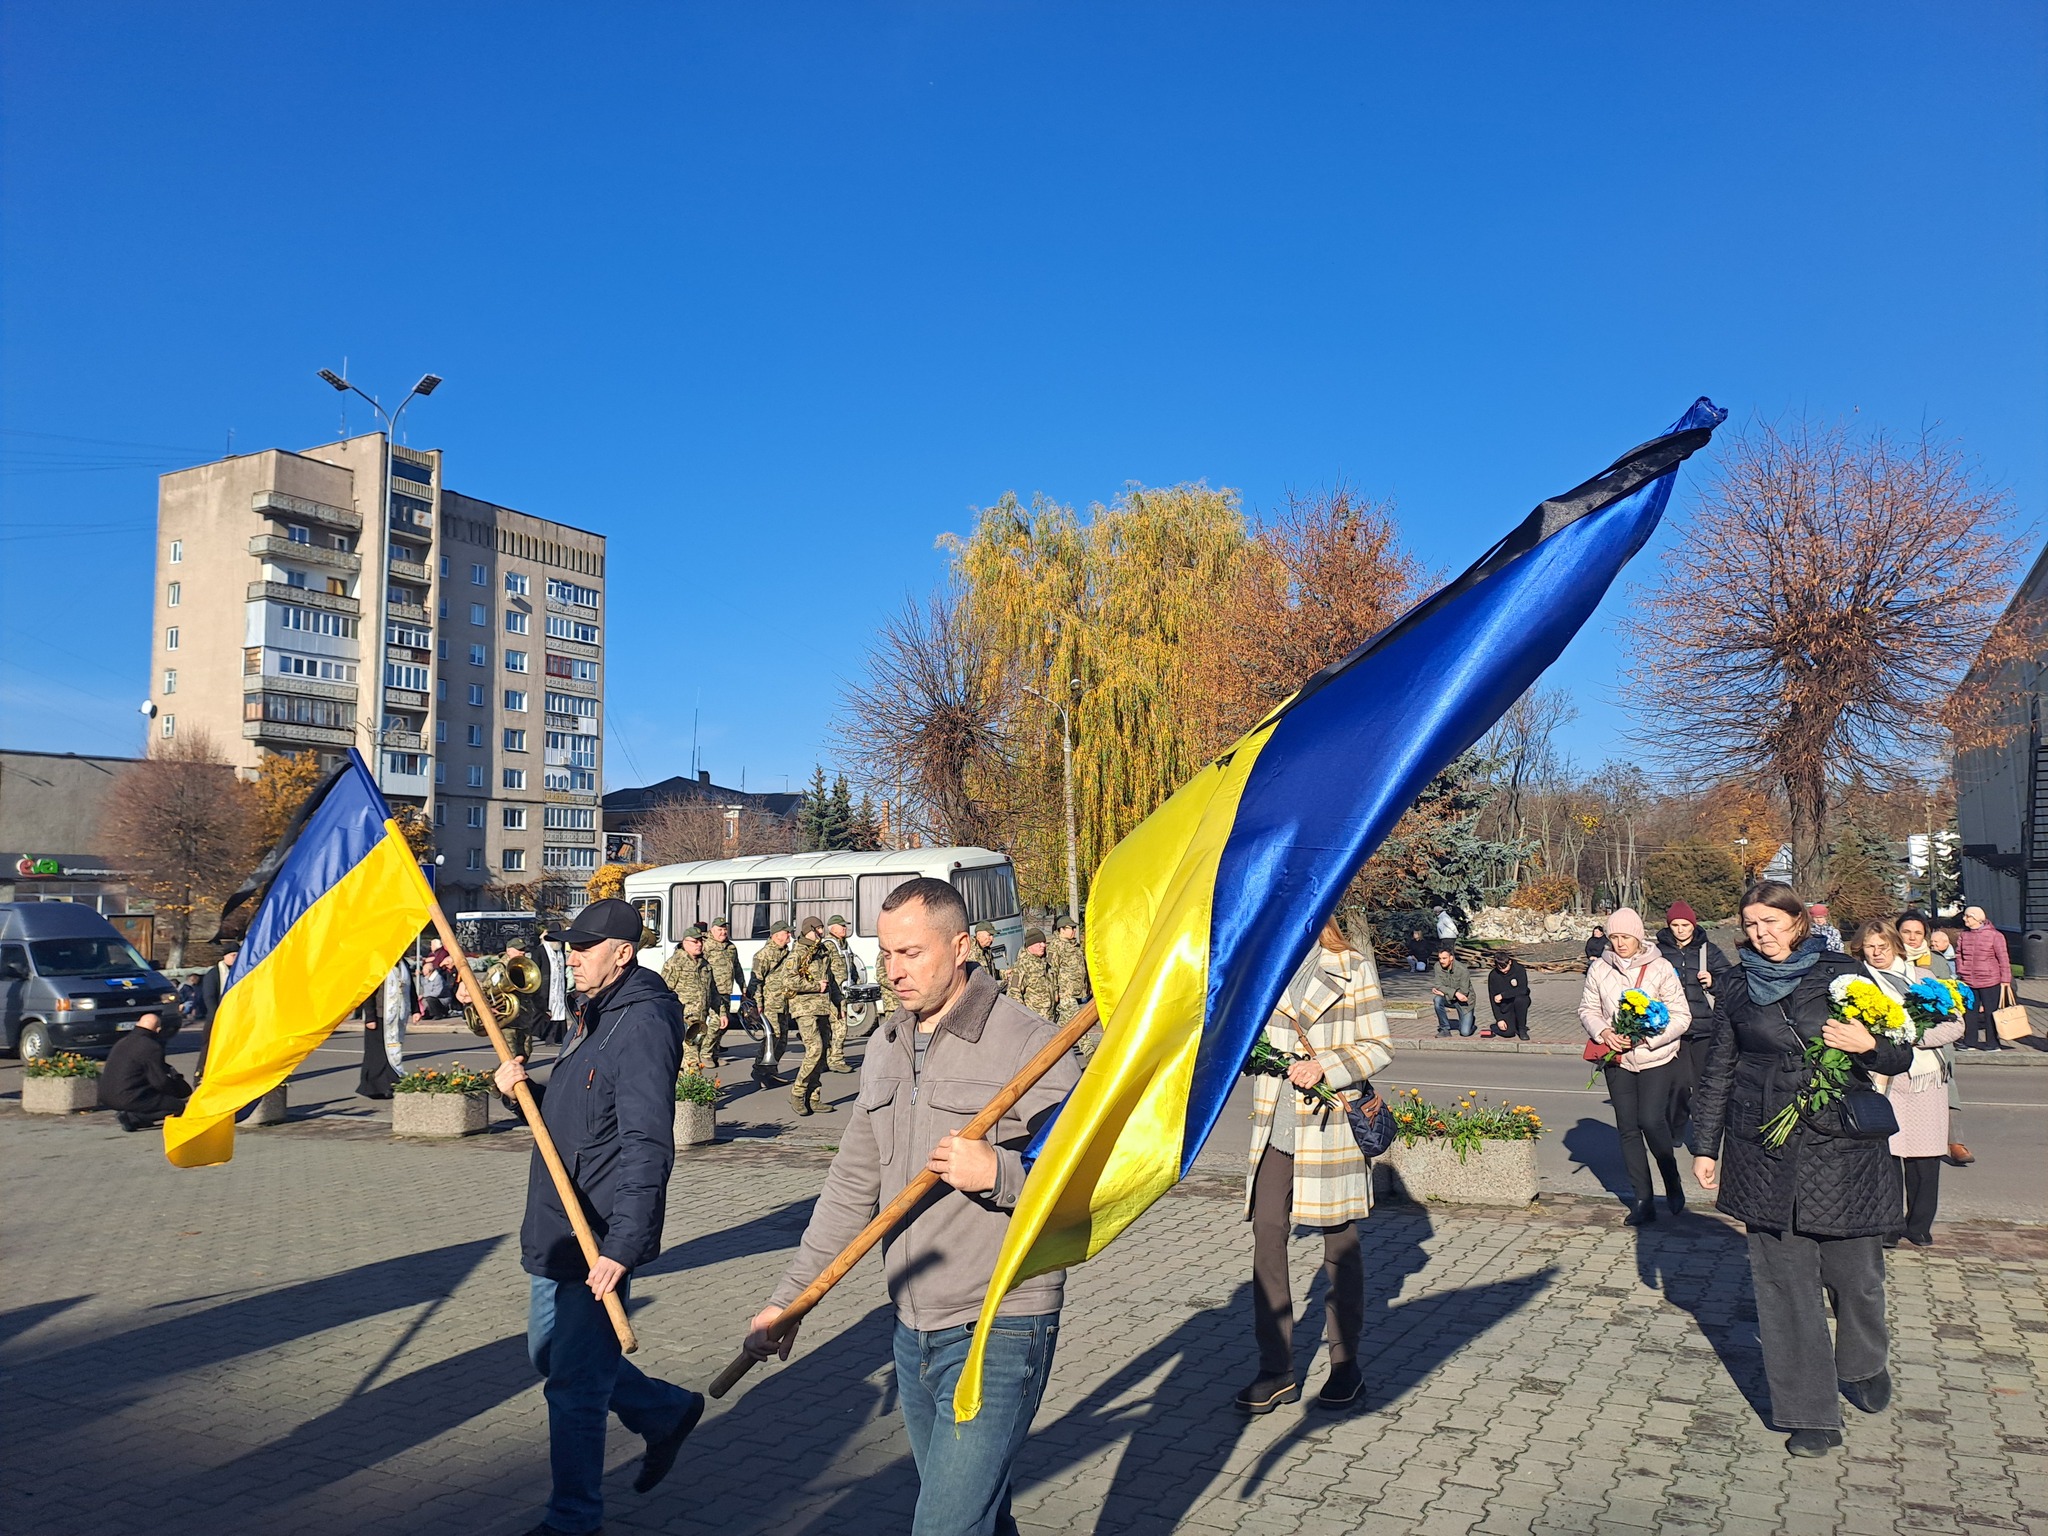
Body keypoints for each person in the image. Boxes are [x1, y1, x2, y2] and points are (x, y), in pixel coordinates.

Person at [743, 878, 1078, 1536]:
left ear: (959, 947)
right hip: (910, 1329)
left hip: (997, 1327)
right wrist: (793, 1299)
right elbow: (849, 1189)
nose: (894, 970)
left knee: (947, 1526)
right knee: (977, 1514)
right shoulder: (887, 1044)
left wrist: (1001, 1172)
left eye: (912, 953)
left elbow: (1085, 1186)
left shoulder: (1030, 1046)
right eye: (886, 953)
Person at [493, 897, 702, 1536]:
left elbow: (646, 1141)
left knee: (574, 1388)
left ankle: (573, 1521)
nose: (571, 958)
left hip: (599, 1235)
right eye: (569, 948)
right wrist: (516, 1092)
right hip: (558, 1225)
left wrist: (625, 1245)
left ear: (623, 953)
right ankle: (662, 1409)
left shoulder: (640, 1023)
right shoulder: (593, 1013)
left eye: (583, 949)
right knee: (548, 1355)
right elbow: (575, 1115)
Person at [1691, 882, 1914, 1458]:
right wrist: (1705, 1145)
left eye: (1771, 920)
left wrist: (1869, 1045)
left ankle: (1863, 1364)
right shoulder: (1738, 985)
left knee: (1856, 1278)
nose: (1761, 932)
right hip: (1761, 1146)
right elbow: (1719, 1068)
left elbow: (1900, 1050)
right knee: (1784, 1289)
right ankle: (1810, 1412)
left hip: (1841, 1148)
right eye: (1751, 922)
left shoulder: (1844, 974)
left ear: (1798, 921)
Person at [1237, 918, 1394, 1414]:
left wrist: (1327, 1064)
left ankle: (1346, 1366)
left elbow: (1379, 1045)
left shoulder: (1350, 966)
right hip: (1273, 1127)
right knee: (1267, 1235)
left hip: (1329, 1127)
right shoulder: (1263, 966)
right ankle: (1275, 1368)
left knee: (1339, 1245)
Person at [1578, 907, 1691, 1225]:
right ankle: (1643, 1200)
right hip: (1618, 1059)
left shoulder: (1661, 967)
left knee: (1651, 1120)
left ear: (1638, 936)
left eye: (1624, 936)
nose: (1619, 942)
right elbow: (1588, 1007)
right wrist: (1603, 1032)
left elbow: (1682, 1016)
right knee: (1628, 1128)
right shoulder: (1600, 968)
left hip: (1656, 1056)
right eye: (1614, 937)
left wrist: (1648, 1038)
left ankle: (1671, 1178)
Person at [1856, 920, 1963, 1248]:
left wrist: (1913, 1036)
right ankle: (1887, 1225)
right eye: (1870, 947)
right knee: (1886, 1156)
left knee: (1925, 1158)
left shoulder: (1923, 979)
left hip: (1925, 1079)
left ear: (1896, 946)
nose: (1876, 953)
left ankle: (1919, 1226)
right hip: (1882, 1080)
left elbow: (1955, 1024)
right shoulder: (1856, 983)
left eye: (1882, 946)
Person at [1656, 901, 1730, 1144]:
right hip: (1672, 1029)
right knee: (1675, 1086)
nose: (1680, 930)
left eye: (1685, 925)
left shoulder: (1709, 951)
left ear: (1693, 925)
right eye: (1675, 925)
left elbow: (1731, 982)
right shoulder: (1659, 952)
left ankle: (1702, 1136)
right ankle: (1674, 1130)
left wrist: (1714, 981)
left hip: (1704, 1028)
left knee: (1704, 1087)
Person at [785, 916, 841, 1116]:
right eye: (818, 929)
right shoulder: (798, 952)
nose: (822, 932)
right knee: (814, 1048)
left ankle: (813, 1096)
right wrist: (815, 986)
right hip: (804, 1008)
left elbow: (830, 979)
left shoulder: (822, 951)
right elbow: (789, 981)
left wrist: (839, 1001)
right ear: (809, 930)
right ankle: (798, 1092)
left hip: (822, 1008)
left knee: (823, 1052)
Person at [98, 1012, 191, 1131]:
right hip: (128, 1097)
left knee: (151, 1098)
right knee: (176, 1106)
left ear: (138, 1024)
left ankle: (138, 1117)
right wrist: (177, 1092)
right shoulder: (151, 1046)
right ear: (158, 1029)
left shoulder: (122, 1042)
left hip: (106, 1095)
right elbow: (159, 1081)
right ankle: (133, 1118)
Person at [661, 925, 722, 1072]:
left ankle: (682, 1088)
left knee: (688, 1058)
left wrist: (721, 1013)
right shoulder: (675, 964)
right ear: (684, 943)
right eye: (695, 941)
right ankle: (691, 1091)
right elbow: (664, 992)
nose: (700, 944)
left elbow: (713, 991)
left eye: (701, 941)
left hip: (700, 1021)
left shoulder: (705, 964)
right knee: (691, 1060)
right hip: (683, 1020)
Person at [1955, 906, 2014, 1051]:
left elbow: (2003, 959)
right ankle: (1970, 1042)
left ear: (1977, 918)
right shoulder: (1964, 935)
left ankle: (1993, 1043)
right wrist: (1961, 970)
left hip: (1990, 980)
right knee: (1970, 1012)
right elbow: (1958, 955)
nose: (1964, 919)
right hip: (1968, 980)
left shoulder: (1995, 936)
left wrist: (2006, 980)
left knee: (1991, 1012)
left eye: (1967, 916)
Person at [749, 918, 796, 1086]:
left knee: (782, 1040)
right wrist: (758, 1004)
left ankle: (771, 1071)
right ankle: (760, 1070)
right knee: (772, 1038)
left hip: (783, 1003)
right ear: (776, 935)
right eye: (786, 933)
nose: (790, 935)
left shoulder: (786, 953)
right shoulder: (764, 955)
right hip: (769, 1004)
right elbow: (756, 982)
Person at [357, 957, 409, 1099]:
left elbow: (410, 989)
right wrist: (370, 1017)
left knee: (392, 1052)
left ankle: (391, 1083)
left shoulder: (404, 965)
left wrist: (416, 1010)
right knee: (377, 1055)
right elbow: (368, 993)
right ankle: (374, 1088)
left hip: (395, 1018)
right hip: (379, 1017)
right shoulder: (379, 966)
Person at [1050, 915, 1094, 1055]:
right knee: (1077, 1021)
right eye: (1071, 928)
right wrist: (1055, 991)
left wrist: (1088, 985)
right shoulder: (1056, 947)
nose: (1074, 931)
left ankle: (1050, 1050)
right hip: (1065, 993)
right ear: (1061, 930)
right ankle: (1089, 1052)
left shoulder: (1074, 945)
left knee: (1061, 1027)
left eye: (1074, 928)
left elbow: (1082, 966)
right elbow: (1052, 970)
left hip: (1076, 992)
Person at [703, 918, 746, 1059]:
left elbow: (737, 968)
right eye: (719, 930)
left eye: (724, 930)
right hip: (712, 991)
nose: (723, 933)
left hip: (726, 991)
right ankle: (705, 1054)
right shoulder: (705, 946)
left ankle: (715, 1052)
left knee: (724, 1024)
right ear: (712, 930)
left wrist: (743, 987)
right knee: (717, 1022)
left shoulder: (731, 947)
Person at [823, 914, 858, 1067]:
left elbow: (851, 964)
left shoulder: (844, 944)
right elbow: (822, 968)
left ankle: (828, 1058)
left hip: (844, 992)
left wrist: (856, 981)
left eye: (845, 925)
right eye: (841, 925)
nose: (845, 928)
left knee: (834, 1027)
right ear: (832, 928)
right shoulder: (828, 945)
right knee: (839, 1026)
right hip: (832, 993)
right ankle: (836, 1059)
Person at [1005, 927, 1055, 1019]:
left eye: (1044, 942)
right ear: (1030, 945)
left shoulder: (1044, 963)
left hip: (1050, 1017)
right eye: (1039, 943)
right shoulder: (1022, 965)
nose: (1043, 945)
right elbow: (1013, 994)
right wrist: (1026, 1017)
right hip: (1035, 1021)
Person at [1428, 945, 1475, 1037]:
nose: (1441, 961)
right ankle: (1445, 1029)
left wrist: (1445, 992)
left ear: (1451, 958)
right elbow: (1438, 985)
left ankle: (1470, 1021)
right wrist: (1455, 993)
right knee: (1437, 999)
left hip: (1464, 1001)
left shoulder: (1462, 970)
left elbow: (1464, 992)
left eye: (1444, 958)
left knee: (1465, 1033)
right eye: (1440, 958)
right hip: (1451, 998)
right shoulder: (1437, 966)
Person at [1484, 951, 1531, 1040]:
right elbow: (1493, 998)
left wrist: (1503, 995)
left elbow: (1523, 989)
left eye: (1505, 967)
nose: (1503, 970)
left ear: (1509, 962)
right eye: (1500, 968)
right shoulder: (1493, 975)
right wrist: (1499, 1019)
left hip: (1519, 1000)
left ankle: (1522, 1028)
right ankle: (1512, 1023)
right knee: (1508, 1033)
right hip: (1505, 1006)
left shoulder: (1519, 969)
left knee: (1521, 1000)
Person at [970, 922, 1005, 989]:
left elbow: (991, 974)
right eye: (989, 935)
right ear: (979, 936)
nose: (992, 939)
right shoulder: (970, 952)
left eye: (992, 936)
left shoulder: (986, 951)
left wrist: (1005, 974)